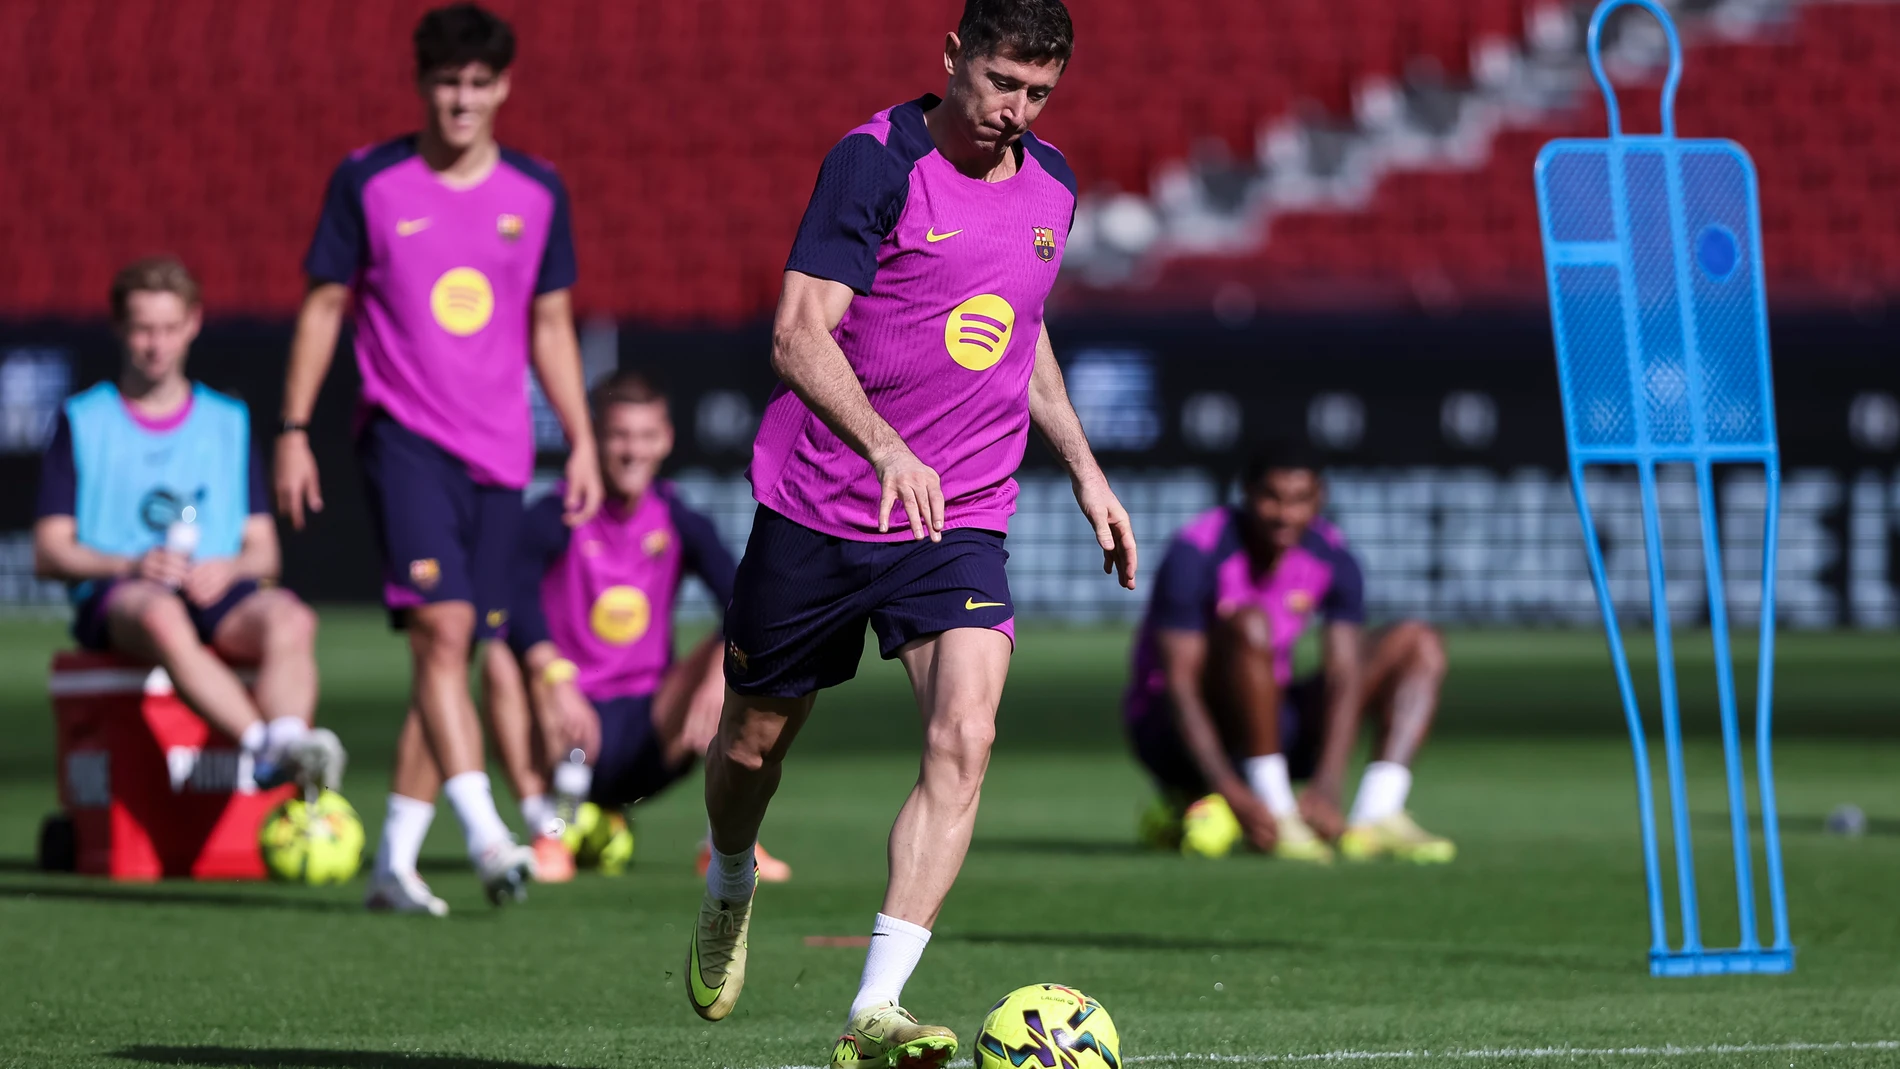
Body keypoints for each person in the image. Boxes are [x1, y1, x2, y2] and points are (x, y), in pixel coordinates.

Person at [686, 3, 1137, 1065]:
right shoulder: (873, 163)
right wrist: (886, 446)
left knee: (967, 735)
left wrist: (1083, 468)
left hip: (959, 515)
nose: (1014, 112)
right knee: (752, 746)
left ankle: (874, 1007)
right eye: (999, 85)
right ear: (952, 60)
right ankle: (730, 874)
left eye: (1036, 94)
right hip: (822, 504)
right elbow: (798, 335)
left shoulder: (1053, 187)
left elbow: (1019, 334)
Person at [275, 2, 602, 915]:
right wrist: (293, 427)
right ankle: (489, 830)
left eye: (478, 84)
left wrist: (577, 438)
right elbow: (321, 308)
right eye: (446, 83)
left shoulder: (538, 193)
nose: (461, 100)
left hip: (501, 454)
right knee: (445, 631)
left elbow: (550, 325)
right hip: (403, 438)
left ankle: (392, 861)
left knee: (452, 652)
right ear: (422, 85)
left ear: (503, 88)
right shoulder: (369, 181)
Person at [34, 257, 342, 793]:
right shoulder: (83, 419)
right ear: (119, 329)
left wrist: (230, 568)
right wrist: (131, 564)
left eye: (169, 329)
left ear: (193, 324)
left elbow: (265, 553)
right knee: (160, 615)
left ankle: (292, 744)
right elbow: (49, 550)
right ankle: (263, 748)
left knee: (292, 619)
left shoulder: (228, 420)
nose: (156, 345)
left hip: (217, 592)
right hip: (124, 597)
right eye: (143, 330)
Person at [478, 371, 790, 884]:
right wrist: (557, 679)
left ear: (666, 440)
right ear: (594, 438)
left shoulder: (677, 516)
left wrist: (718, 677)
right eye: (620, 435)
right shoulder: (556, 513)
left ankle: (727, 845)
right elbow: (513, 601)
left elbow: (743, 599)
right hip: (566, 728)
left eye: (646, 436)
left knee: (743, 654)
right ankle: (548, 832)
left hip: (653, 730)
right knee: (496, 657)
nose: (632, 451)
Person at [1124, 442, 1455, 865]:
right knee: (1250, 624)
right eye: (1271, 498)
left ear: (1320, 499)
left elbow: (1345, 674)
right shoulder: (1196, 551)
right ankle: (1274, 810)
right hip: (1172, 732)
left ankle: (1377, 812)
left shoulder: (1333, 555)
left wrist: (1327, 785)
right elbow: (1179, 685)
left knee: (1418, 641)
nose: (1285, 515)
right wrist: (1232, 790)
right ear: (1246, 492)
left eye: (1300, 500)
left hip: (1269, 725)